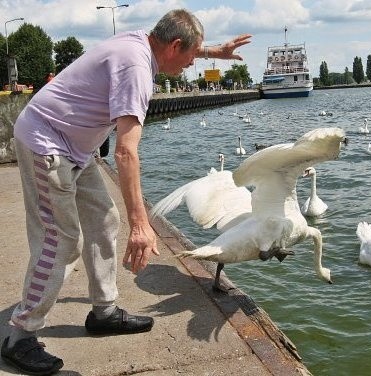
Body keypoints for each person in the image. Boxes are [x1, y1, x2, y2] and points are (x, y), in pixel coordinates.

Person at [1, 9, 251, 375]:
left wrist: (216, 52)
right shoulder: (137, 71)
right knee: (60, 240)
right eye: (192, 55)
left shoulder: (145, 42)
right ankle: (20, 336)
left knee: (104, 220)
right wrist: (141, 224)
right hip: (46, 143)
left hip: (76, 146)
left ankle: (103, 312)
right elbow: (125, 152)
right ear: (175, 46)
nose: (192, 64)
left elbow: (177, 44)